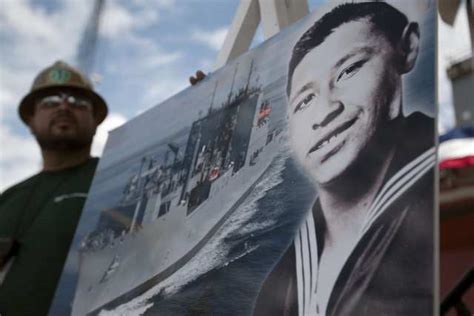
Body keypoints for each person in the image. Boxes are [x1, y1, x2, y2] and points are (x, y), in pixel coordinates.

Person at [254, 2, 435, 315]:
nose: (325, 113)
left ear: (407, 48)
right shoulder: (277, 288)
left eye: (350, 70)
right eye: (304, 101)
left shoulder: (437, 196)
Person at [0, 61, 108, 316]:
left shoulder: (119, 174)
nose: (64, 106)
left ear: (95, 121)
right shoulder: (7, 200)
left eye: (78, 101)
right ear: (30, 121)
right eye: (50, 101)